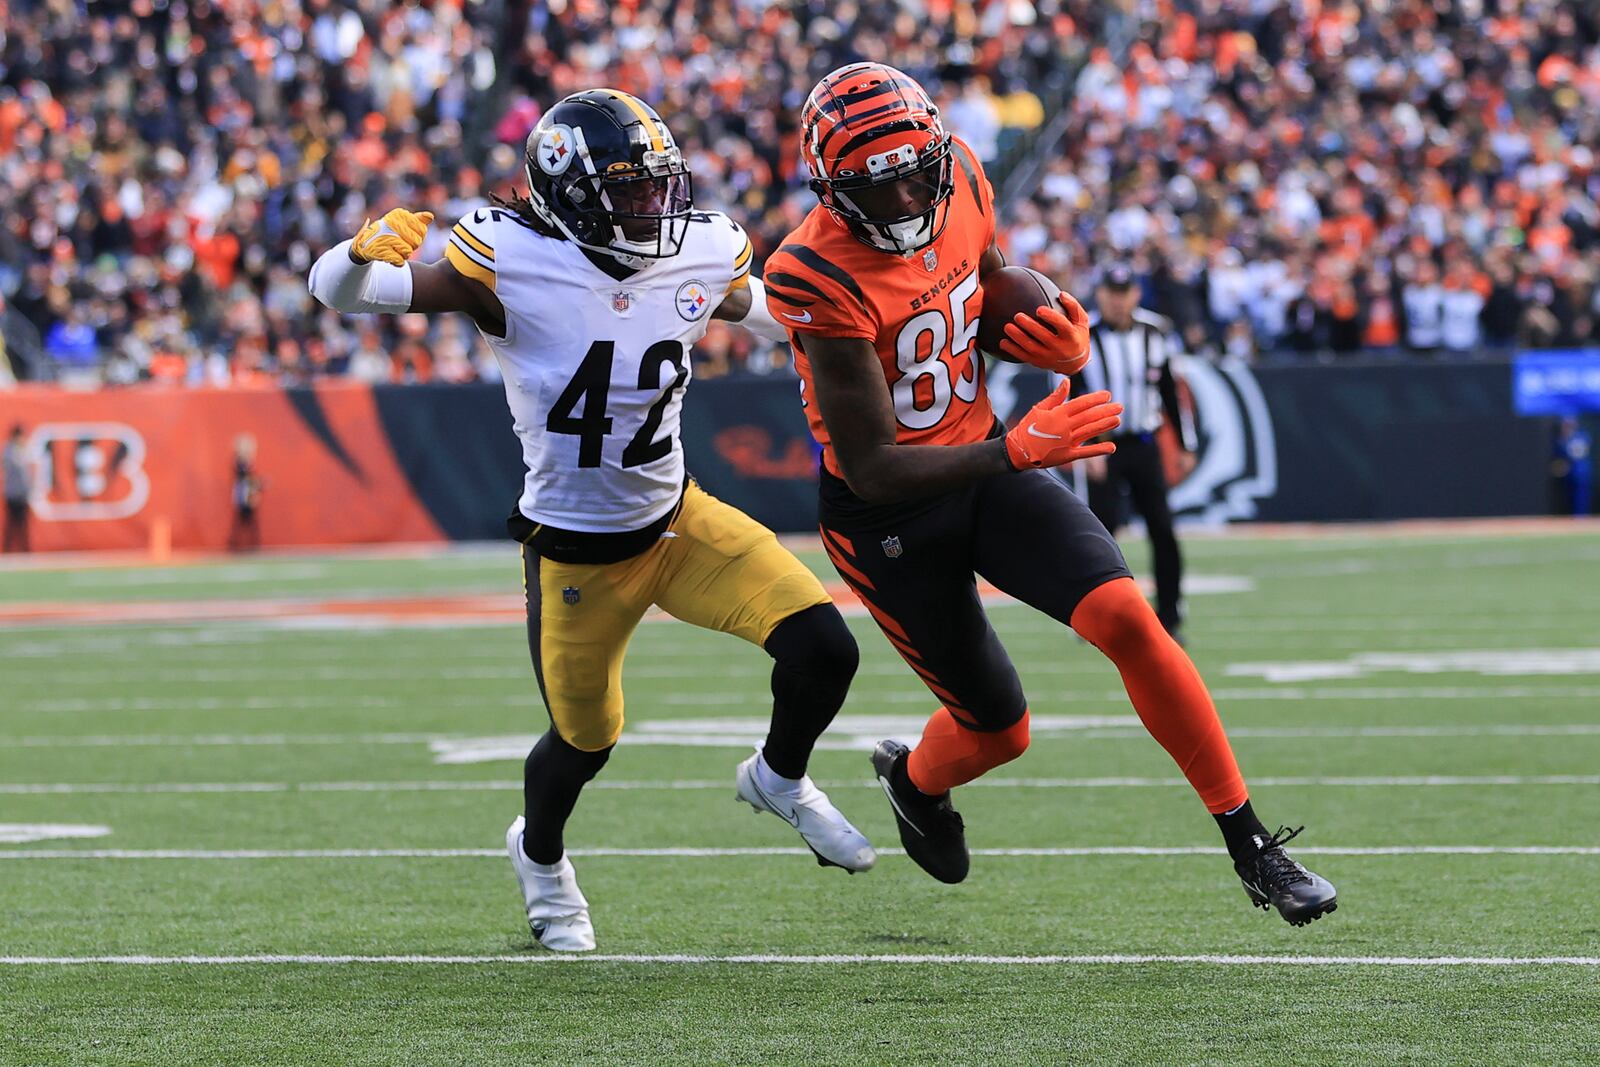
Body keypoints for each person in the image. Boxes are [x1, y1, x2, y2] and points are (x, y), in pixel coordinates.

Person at [764, 63, 1335, 925]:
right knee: (1000, 730)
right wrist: (1017, 450)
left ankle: (1251, 843)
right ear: (834, 192)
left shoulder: (964, 178)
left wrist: (1047, 328)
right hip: (889, 517)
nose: (911, 197)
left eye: (921, 172)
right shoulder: (810, 273)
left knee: (1129, 620)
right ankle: (916, 781)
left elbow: (985, 282)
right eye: (882, 190)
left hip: (986, 458)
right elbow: (875, 464)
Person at [309, 90, 874, 952]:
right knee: (584, 742)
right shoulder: (509, 261)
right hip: (575, 556)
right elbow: (345, 293)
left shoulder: (698, 251)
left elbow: (767, 310)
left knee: (826, 647)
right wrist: (353, 257)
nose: (654, 207)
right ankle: (540, 858)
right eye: (630, 190)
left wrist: (843, 317)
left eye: (659, 186)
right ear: (568, 193)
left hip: (679, 522)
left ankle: (779, 777)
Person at [1070, 264, 1196, 641]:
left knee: (1162, 527)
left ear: (1135, 295)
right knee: (1098, 532)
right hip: (1103, 448)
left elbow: (1172, 390)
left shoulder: (1155, 331)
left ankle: (1170, 614)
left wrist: (1186, 445)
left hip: (1144, 442)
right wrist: (1083, 447)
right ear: (1102, 295)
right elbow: (1070, 392)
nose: (1118, 299)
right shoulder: (1083, 335)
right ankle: (1090, 617)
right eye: (1111, 292)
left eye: (1124, 292)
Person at [227, 435, 263, 551]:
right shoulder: (240, 462)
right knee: (242, 520)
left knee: (248, 520)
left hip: (247, 492)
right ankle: (236, 544)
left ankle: (250, 544)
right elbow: (245, 478)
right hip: (243, 494)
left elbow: (250, 479)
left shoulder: (246, 462)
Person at [3, 424, 31, 553]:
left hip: (22, 492)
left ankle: (25, 549)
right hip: (12, 492)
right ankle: (7, 549)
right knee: (11, 524)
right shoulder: (9, 450)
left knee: (23, 525)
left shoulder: (23, 449)